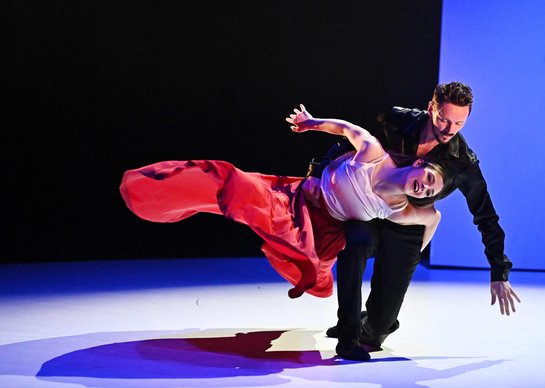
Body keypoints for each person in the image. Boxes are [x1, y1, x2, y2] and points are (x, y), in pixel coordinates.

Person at [120, 105, 446, 360]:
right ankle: (166, 189)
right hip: (298, 199)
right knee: (238, 186)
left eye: (429, 191)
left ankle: (349, 335)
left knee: (314, 269)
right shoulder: (374, 154)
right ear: (418, 166)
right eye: (429, 178)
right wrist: (311, 122)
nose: (423, 188)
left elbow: (432, 219)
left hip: (322, 229)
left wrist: (411, 262)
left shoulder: (400, 208)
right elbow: (348, 129)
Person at [317, 81, 521, 361]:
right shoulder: (397, 120)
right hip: (371, 208)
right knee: (356, 242)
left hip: (407, 226)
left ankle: (372, 323)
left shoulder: (462, 162)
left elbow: (485, 215)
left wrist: (499, 270)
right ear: (430, 108)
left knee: (377, 333)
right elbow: (348, 140)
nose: (450, 129)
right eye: (444, 119)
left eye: (459, 123)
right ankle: (348, 331)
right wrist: (319, 172)